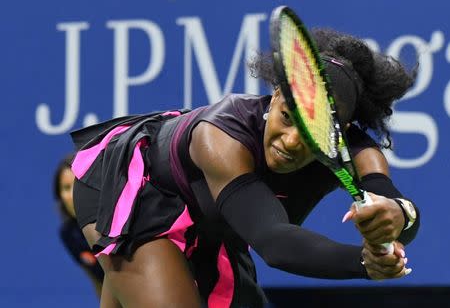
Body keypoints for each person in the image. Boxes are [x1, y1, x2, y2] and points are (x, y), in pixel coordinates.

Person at [70, 27, 420, 308]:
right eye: (287, 117)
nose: (293, 141)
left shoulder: (359, 152)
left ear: (342, 131)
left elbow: (398, 210)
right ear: (276, 94)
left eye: (314, 129)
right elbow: (273, 242)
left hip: (216, 217)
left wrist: (397, 214)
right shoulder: (220, 139)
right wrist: (363, 263)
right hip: (137, 187)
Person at [53, 154, 104, 298]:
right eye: (66, 187)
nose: (74, 194)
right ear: (60, 196)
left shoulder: (114, 219)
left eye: (78, 184)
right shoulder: (68, 234)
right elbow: (96, 279)